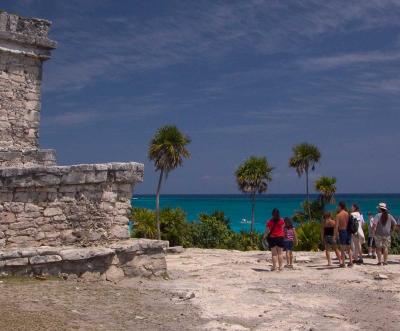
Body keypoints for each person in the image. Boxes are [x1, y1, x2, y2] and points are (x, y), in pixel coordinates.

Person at [334, 201, 353, 267]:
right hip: (348, 231)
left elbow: (336, 226)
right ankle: (351, 262)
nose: (337, 207)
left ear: (340, 206)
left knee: (342, 248)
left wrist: (335, 235)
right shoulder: (348, 214)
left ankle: (343, 263)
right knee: (349, 248)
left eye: (338, 206)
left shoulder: (338, 215)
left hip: (342, 231)